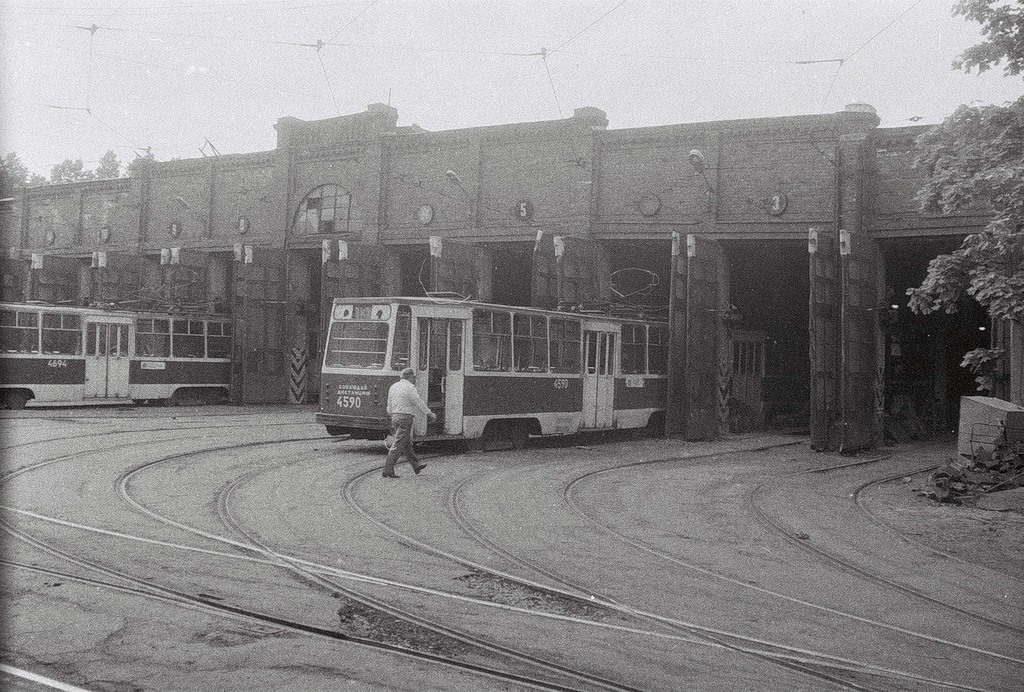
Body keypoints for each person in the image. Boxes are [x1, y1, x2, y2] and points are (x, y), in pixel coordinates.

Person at [383, 367, 435, 478]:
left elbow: (389, 405)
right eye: (413, 377)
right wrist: (429, 413)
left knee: (406, 443)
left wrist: (393, 414)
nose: (414, 379)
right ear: (410, 376)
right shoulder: (410, 388)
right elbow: (418, 402)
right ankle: (388, 469)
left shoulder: (393, 386)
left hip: (395, 416)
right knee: (398, 444)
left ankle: (416, 465)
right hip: (405, 417)